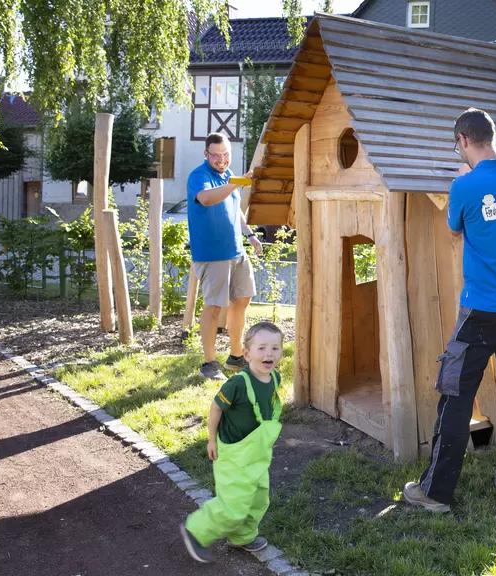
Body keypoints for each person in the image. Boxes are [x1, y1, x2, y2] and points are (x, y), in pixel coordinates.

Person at [401, 108, 496, 513]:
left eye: (458, 144)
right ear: (493, 135)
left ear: (464, 141)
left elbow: (455, 228)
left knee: (455, 396)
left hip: (481, 313)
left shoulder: (464, 187)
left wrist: (464, 182)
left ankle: (435, 493)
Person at [180, 321, 285, 563]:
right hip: (233, 454)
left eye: (275, 348)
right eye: (261, 348)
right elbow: (216, 408)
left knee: (259, 498)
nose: (269, 353)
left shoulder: (274, 378)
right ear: (247, 354)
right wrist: (211, 439)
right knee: (234, 504)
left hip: (257, 454)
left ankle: (243, 536)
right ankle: (196, 531)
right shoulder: (238, 383)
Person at [187, 132, 263, 381]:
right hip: (212, 254)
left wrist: (250, 235)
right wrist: (236, 183)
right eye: (216, 155)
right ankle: (209, 364)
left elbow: (235, 209)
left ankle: (235, 357)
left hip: (237, 251)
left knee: (242, 299)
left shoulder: (229, 178)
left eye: (225, 154)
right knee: (213, 306)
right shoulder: (199, 176)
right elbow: (207, 199)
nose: (221, 159)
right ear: (206, 154)